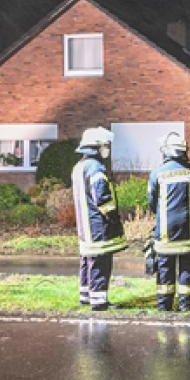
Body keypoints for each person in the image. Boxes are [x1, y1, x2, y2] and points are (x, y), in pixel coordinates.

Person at [72, 127, 127, 311]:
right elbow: (103, 199)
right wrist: (113, 219)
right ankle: (99, 301)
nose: (107, 148)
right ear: (96, 147)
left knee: (87, 259)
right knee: (100, 261)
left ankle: (85, 296)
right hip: (97, 225)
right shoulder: (96, 168)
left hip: (84, 226)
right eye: (105, 145)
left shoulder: (79, 167)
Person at [147, 132, 190, 312]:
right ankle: (187, 304)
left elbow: (151, 202)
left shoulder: (157, 173)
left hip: (165, 231)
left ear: (165, 152)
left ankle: (164, 304)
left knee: (165, 267)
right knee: (187, 266)